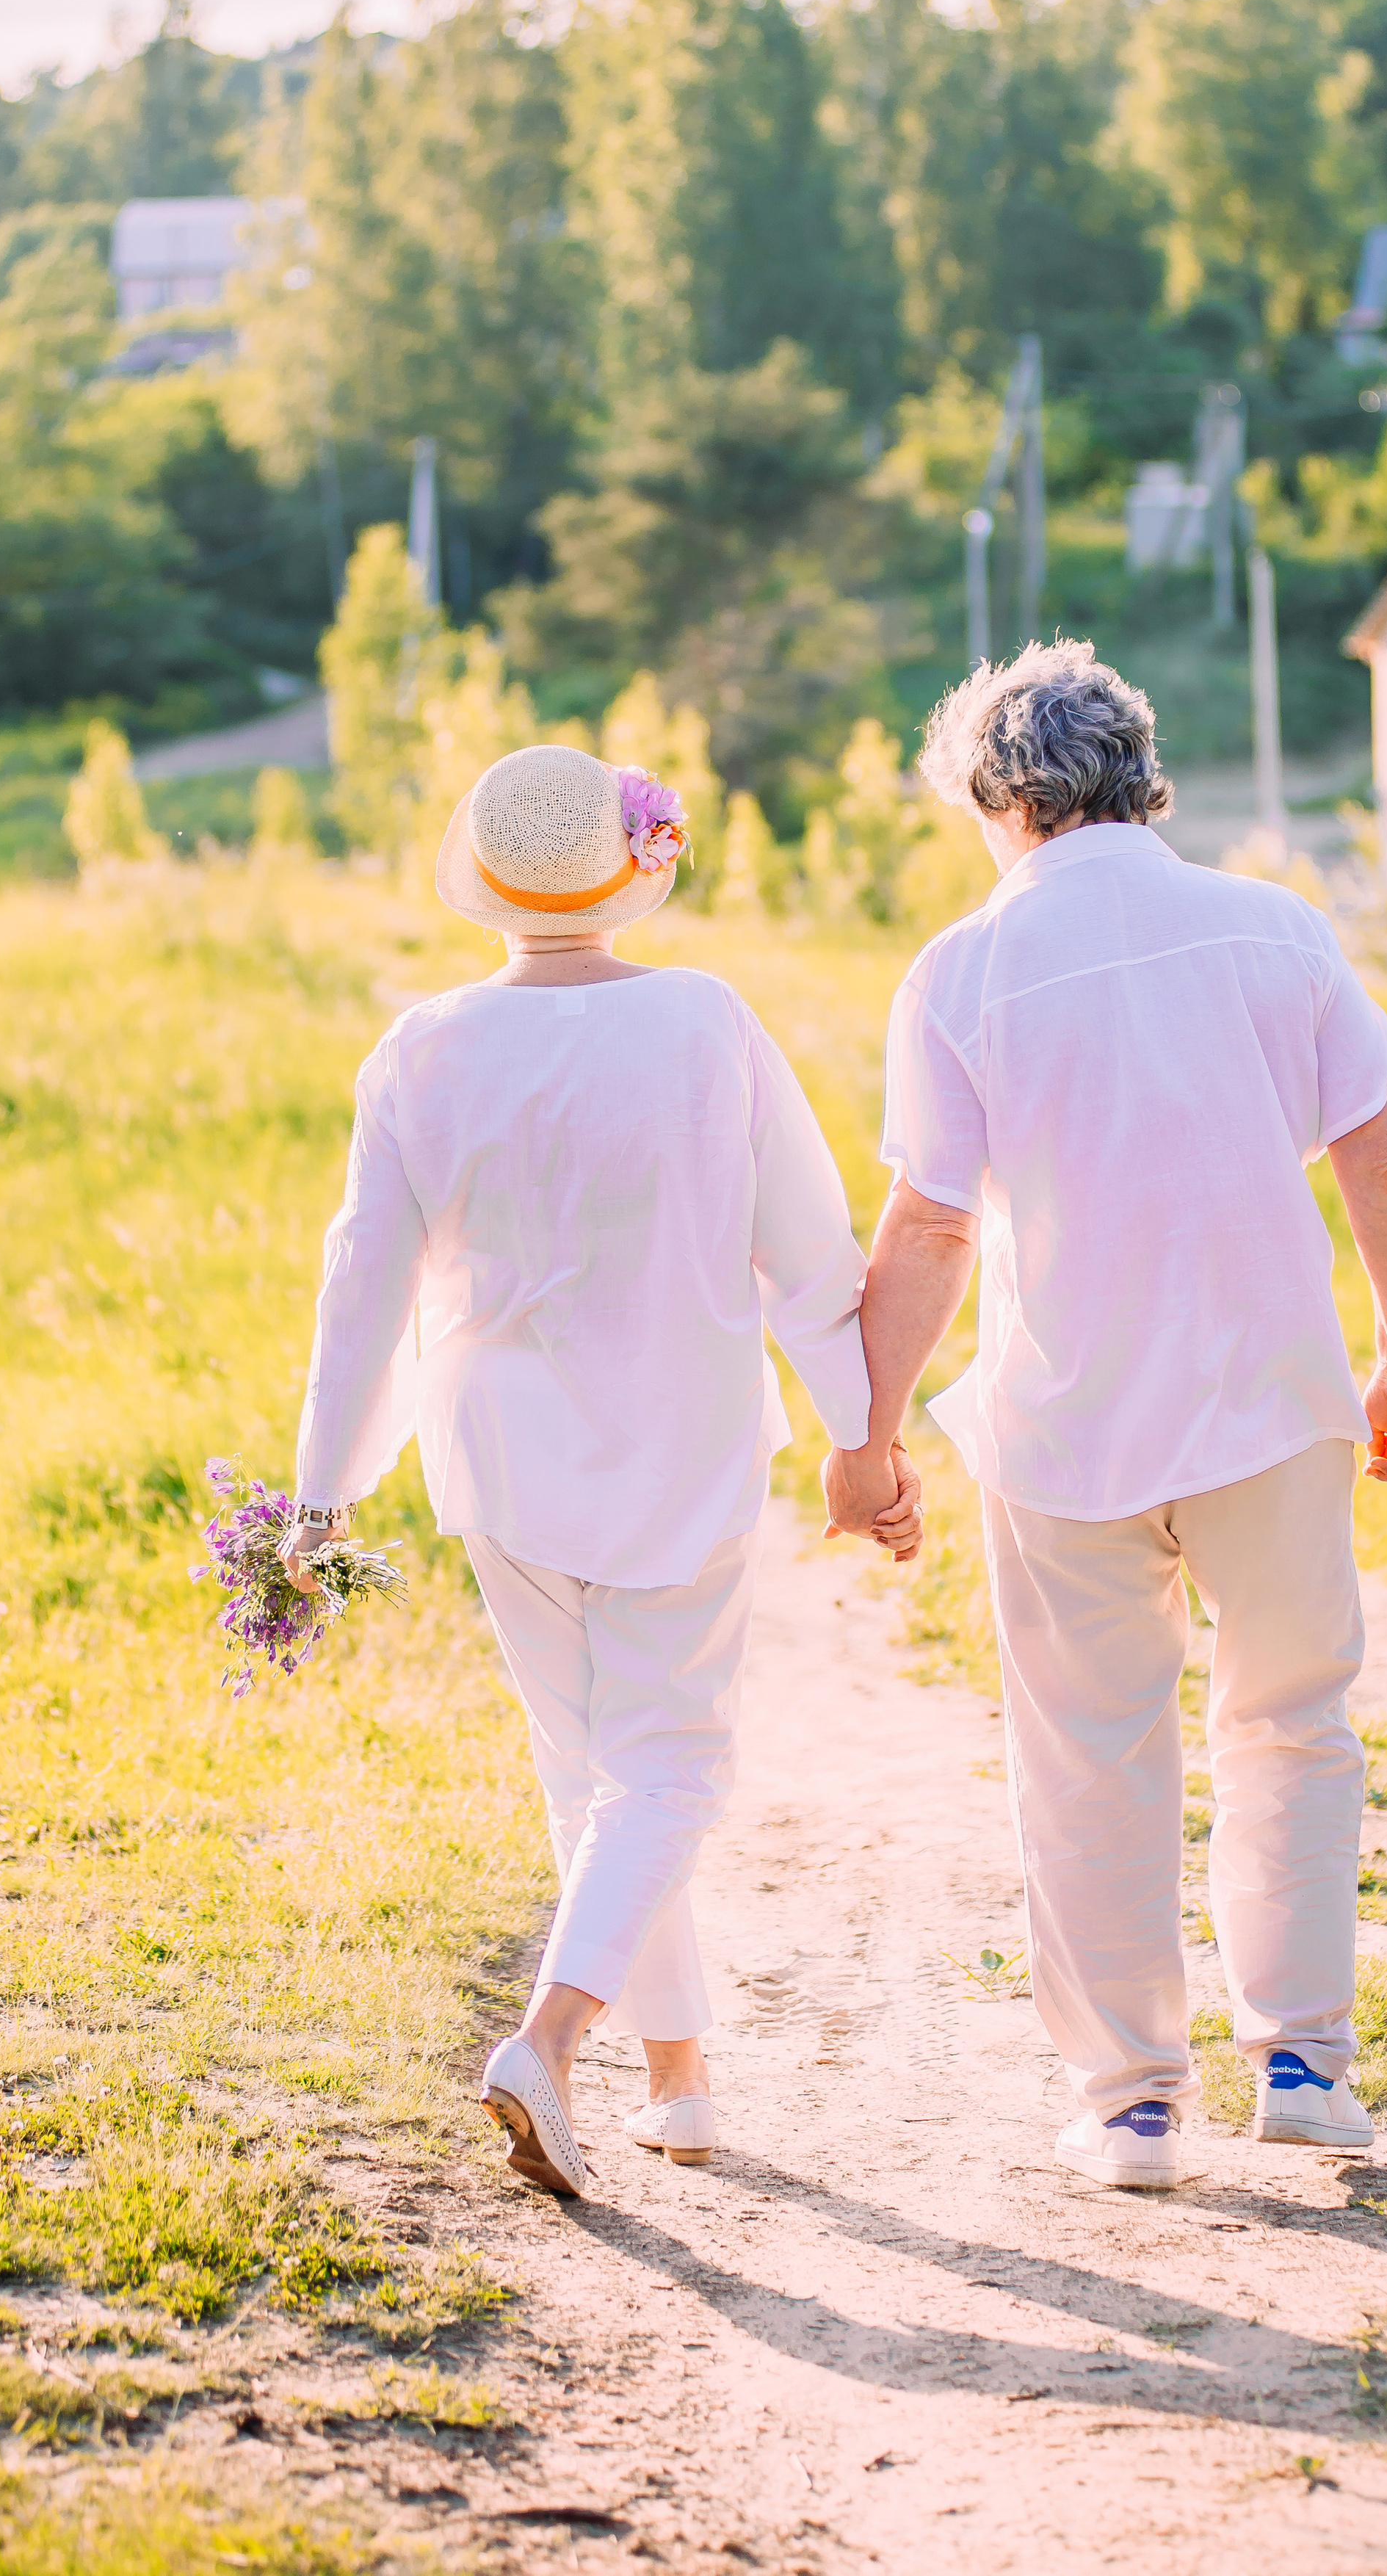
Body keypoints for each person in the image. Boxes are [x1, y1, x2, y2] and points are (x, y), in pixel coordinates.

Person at [823, 643, 1387, 2190]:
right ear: (1134, 769)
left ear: (1000, 798)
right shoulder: (1271, 929)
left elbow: (932, 1231)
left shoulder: (958, 972)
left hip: (1065, 1424)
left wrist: (868, 1435)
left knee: (1088, 1754)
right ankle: (1300, 2059)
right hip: (1273, 1404)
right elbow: (1377, 1162)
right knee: (1289, 1725)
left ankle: (1129, 2100)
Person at [283, 745, 919, 2198]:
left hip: (498, 1452)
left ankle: (678, 2081)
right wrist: (858, 1437)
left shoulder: (420, 1045)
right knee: (669, 1768)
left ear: (483, 886)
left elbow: (361, 1283)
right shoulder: (702, 1023)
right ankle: (550, 2044)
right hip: (675, 1438)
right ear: (638, 866)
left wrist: (323, 1490)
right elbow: (808, 1253)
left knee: (592, 1774)